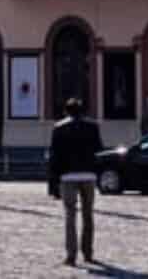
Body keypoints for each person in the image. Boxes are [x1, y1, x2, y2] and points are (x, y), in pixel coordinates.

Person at [47, 97, 103, 268]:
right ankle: (88, 252)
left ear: (66, 111)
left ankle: (71, 255)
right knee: (88, 215)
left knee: (70, 216)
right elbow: (98, 150)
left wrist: (53, 184)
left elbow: (54, 157)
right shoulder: (92, 127)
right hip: (88, 175)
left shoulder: (59, 128)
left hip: (67, 176)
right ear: (82, 111)